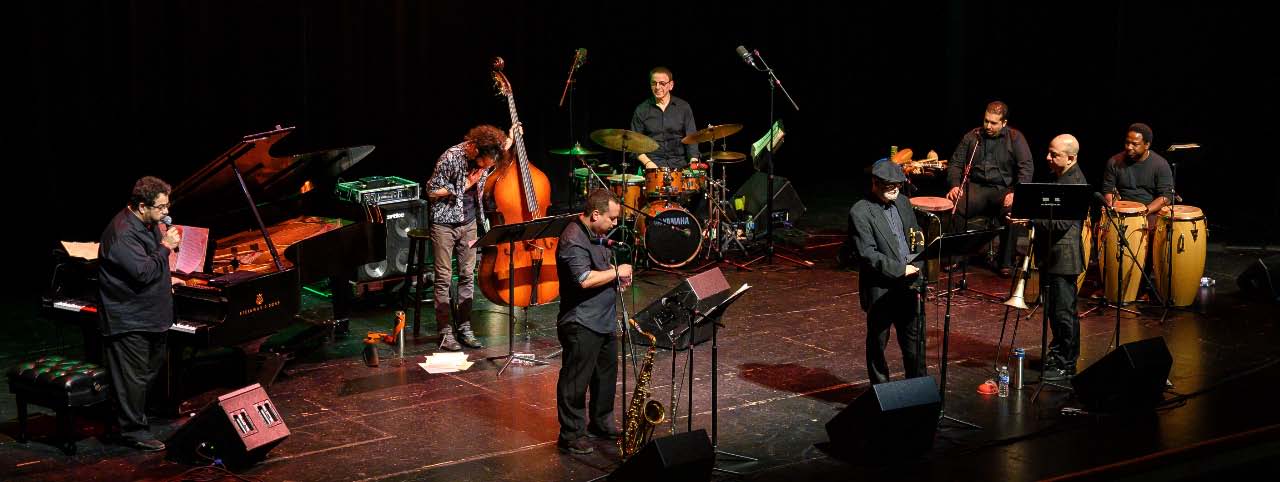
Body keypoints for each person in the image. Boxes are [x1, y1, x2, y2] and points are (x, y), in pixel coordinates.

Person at [97, 176, 182, 452]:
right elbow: (143, 272)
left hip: (151, 316)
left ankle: (135, 419)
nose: (166, 213)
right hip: (129, 318)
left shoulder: (149, 224)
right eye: (161, 207)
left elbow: (152, 265)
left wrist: (167, 278)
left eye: (167, 206)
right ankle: (132, 431)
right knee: (132, 378)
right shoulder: (122, 233)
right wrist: (166, 246)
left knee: (146, 373)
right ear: (142, 206)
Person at [425, 124, 514, 351]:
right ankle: (445, 332)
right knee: (444, 278)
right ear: (476, 149)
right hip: (444, 223)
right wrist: (464, 185)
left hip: (470, 221)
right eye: (486, 163)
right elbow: (431, 190)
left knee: (467, 275)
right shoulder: (451, 157)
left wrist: (513, 136)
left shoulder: (492, 151)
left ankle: (464, 327)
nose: (487, 167)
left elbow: (504, 146)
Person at [554, 189, 630, 454]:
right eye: (612, 218)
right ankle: (572, 434)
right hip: (581, 321)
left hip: (604, 318)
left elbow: (602, 271)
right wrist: (616, 272)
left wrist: (616, 279)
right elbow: (584, 279)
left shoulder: (596, 235)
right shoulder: (573, 239)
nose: (615, 224)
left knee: (605, 377)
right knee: (576, 381)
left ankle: (601, 422)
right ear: (595, 214)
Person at [1011, 135, 1088, 380]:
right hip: (1052, 255)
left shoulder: (1075, 183)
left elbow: (1063, 221)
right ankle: (1057, 354)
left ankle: (1067, 363)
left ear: (1071, 158)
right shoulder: (1060, 177)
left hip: (1064, 258)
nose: (1048, 157)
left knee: (1064, 312)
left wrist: (1031, 219)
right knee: (1055, 311)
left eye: (1054, 154)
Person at [849, 161, 926, 384]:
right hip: (881, 288)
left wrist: (918, 263)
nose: (895, 189)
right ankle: (881, 391)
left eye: (898, 185)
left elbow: (915, 236)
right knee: (877, 344)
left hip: (910, 285)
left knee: (914, 344)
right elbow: (867, 253)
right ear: (875, 183)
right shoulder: (861, 211)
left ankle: (917, 388)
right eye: (890, 186)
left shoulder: (903, 202)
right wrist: (900, 269)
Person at [946, 101, 1034, 276]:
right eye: (986, 121)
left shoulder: (1015, 138)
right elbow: (955, 163)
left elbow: (1026, 167)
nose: (988, 126)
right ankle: (956, 257)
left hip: (1003, 189)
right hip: (976, 187)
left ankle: (1005, 262)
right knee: (955, 206)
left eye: (993, 123)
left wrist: (1016, 193)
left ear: (1004, 123)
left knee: (1013, 211)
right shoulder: (973, 136)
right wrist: (955, 185)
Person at [1101, 122, 1174, 227]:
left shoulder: (1160, 164)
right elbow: (1108, 190)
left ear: (1147, 145)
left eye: (1135, 144)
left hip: (1148, 213)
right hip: (1121, 212)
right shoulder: (1114, 162)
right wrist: (1114, 205)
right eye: (1127, 143)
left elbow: (1166, 196)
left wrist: (1144, 211)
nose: (1129, 147)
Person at [630, 67, 700, 171]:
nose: (657, 87)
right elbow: (634, 144)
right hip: (652, 165)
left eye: (662, 83)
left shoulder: (683, 107)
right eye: (654, 83)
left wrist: (693, 160)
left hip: (679, 165)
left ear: (671, 85)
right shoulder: (641, 110)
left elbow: (692, 138)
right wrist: (648, 163)